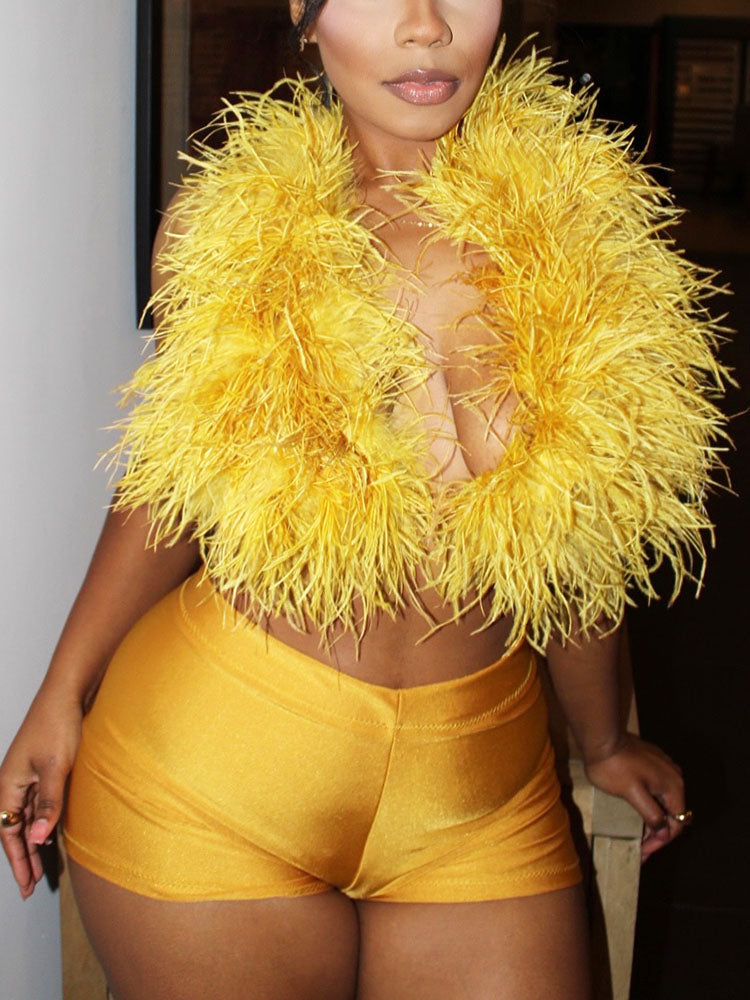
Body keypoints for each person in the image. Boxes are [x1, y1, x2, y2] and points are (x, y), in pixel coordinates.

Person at [0, 2, 726, 998]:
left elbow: (577, 543)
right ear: (305, 16)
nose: (425, 26)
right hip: (213, 765)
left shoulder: (588, 230)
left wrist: (602, 740)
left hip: (478, 783)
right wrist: (60, 690)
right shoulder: (231, 224)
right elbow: (172, 483)